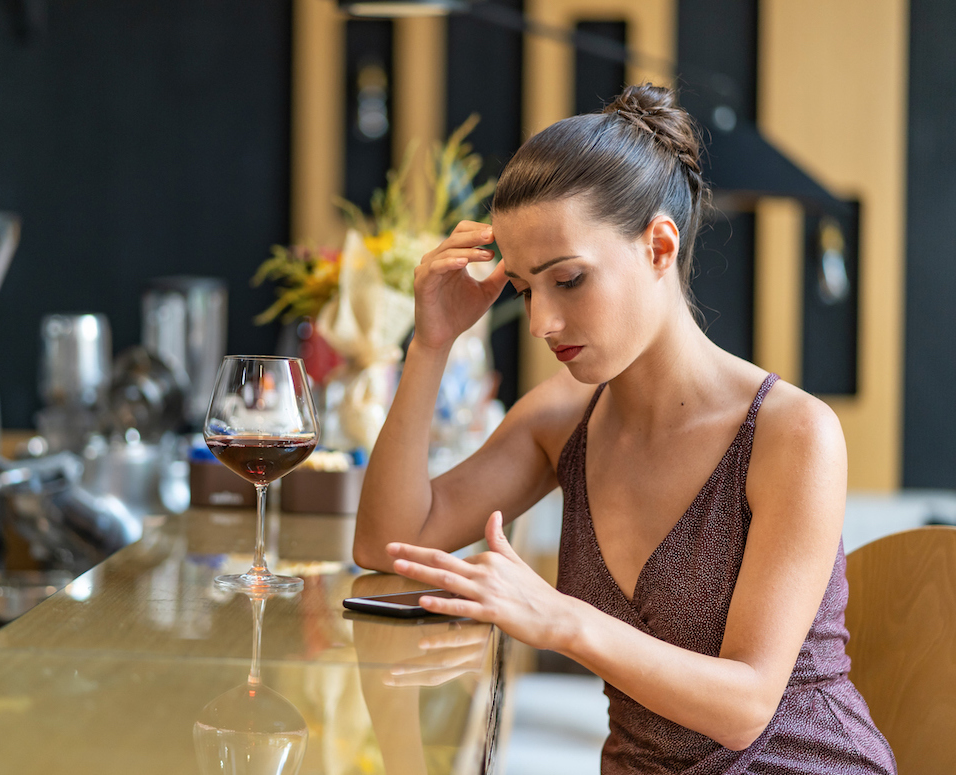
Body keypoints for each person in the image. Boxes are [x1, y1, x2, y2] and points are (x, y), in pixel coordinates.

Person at [352, 84, 896, 774]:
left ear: (659, 247)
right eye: (523, 288)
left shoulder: (794, 435)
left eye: (569, 280)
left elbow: (745, 705)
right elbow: (386, 542)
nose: (543, 322)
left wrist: (559, 618)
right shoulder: (559, 422)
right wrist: (430, 345)